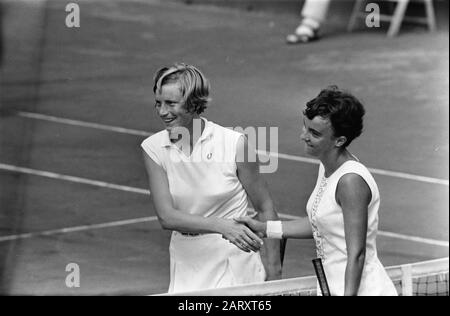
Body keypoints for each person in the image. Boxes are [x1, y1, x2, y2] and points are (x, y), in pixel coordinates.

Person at [236, 86, 398, 296]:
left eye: (314, 133)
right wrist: (265, 228)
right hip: (333, 288)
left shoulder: (350, 181)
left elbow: (356, 254)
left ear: (339, 140)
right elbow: (320, 223)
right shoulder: (326, 167)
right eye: (305, 127)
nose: (303, 136)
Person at [141, 63, 281, 293]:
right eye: (158, 103)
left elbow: (266, 208)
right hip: (185, 260)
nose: (162, 112)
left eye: (171, 103)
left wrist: (275, 274)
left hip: (234, 261)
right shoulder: (153, 148)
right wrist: (222, 226)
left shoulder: (235, 144)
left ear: (193, 103)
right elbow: (167, 217)